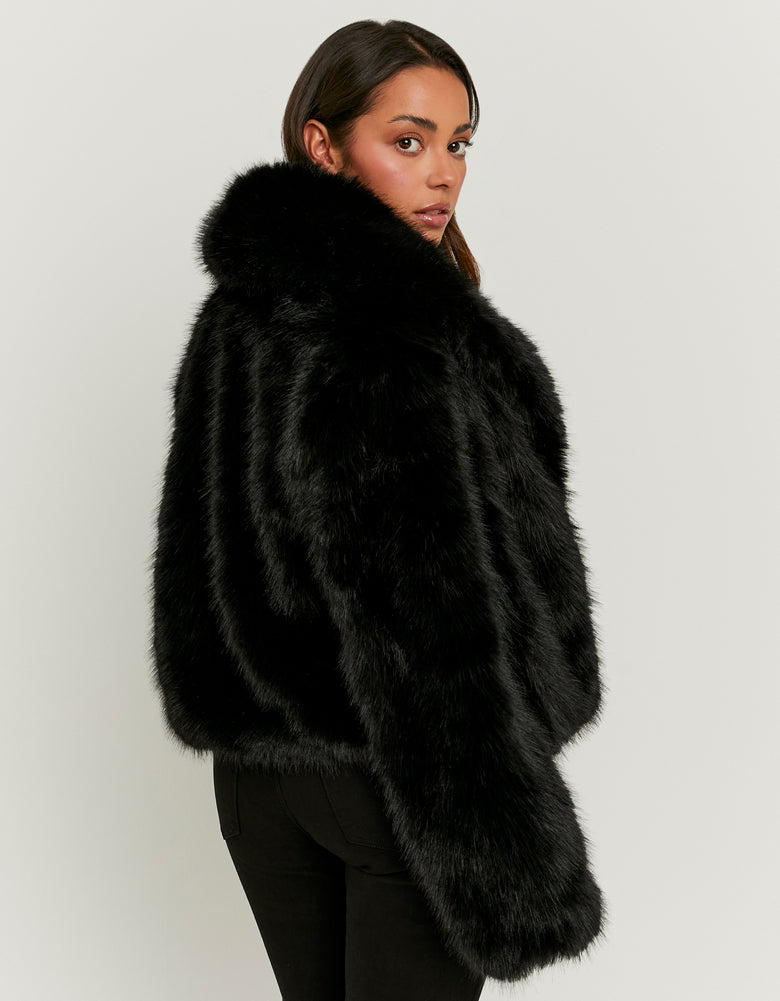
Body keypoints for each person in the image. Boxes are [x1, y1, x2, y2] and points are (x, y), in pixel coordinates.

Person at [150, 18, 606, 1001]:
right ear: (324, 146)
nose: (442, 172)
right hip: (391, 775)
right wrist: (509, 849)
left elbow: (198, 551)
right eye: (408, 140)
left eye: (458, 143)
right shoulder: (390, 333)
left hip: (258, 780)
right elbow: (423, 616)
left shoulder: (237, 313)